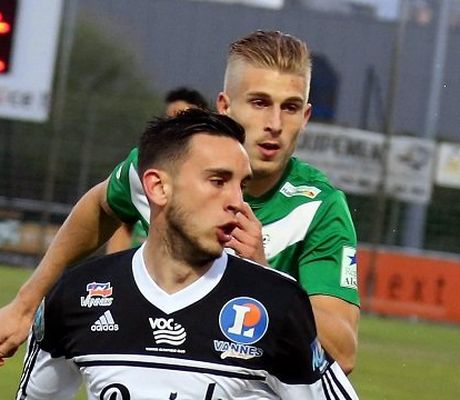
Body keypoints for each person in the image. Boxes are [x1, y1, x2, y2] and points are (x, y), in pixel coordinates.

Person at [0, 30, 360, 373]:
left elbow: (342, 354)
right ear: (224, 106)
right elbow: (99, 204)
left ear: (306, 117)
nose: (275, 123)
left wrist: (263, 277)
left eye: (291, 107)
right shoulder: (168, 167)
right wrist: (24, 305)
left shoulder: (318, 209)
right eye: (259, 102)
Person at [15, 109, 359, 399]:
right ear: (158, 187)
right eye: (218, 181)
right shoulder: (74, 296)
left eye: (241, 185)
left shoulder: (278, 304)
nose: (237, 202)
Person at [105, 86, 210, 254]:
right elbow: (121, 224)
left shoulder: (208, 182)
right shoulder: (141, 168)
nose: (176, 122)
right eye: (171, 116)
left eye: (184, 116)